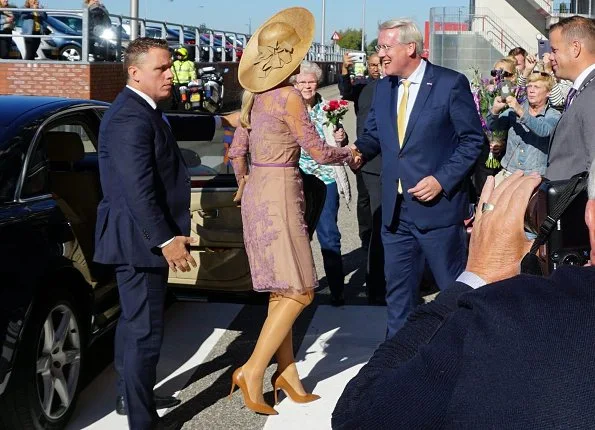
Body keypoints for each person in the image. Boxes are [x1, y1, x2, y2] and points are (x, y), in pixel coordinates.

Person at [333, 167, 595, 429]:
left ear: (590, 216)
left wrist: (477, 276)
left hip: (438, 219)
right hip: (399, 217)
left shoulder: (506, 319)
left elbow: (356, 417)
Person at [94, 37, 237, 429]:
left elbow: (169, 125)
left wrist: (223, 121)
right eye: (161, 69)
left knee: (133, 325)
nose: (171, 74)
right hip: (140, 240)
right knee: (145, 332)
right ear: (134, 73)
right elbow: (137, 189)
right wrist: (166, 239)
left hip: (135, 237)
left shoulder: (143, 109)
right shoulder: (129, 118)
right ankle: (142, 421)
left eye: (170, 66)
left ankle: (130, 395)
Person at [228, 7, 359, 416]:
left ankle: (287, 373)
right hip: (282, 189)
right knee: (301, 289)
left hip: (258, 191)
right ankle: (252, 370)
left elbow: (236, 153)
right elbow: (317, 149)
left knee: (280, 289)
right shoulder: (287, 97)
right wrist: (348, 151)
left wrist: (244, 183)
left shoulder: (255, 98)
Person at [354, 18, 483, 338]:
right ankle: (395, 367)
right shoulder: (382, 88)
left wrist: (441, 180)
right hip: (395, 214)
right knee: (398, 297)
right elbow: (373, 137)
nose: (380, 54)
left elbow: (472, 141)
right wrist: (353, 152)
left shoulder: (449, 83)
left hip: (437, 209)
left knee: (454, 294)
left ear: (410, 48)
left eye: (385, 46)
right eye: (378, 47)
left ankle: (463, 358)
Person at [291, 60, 350, 306]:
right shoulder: (290, 109)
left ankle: (336, 290)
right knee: (299, 237)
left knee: (330, 235)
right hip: (298, 178)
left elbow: (340, 138)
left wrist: (342, 136)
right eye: (302, 81)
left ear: (318, 83)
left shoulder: (328, 108)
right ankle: (300, 290)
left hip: (326, 178)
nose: (307, 86)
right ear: (295, 83)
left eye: (311, 82)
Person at [339, 52, 385, 304]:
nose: (377, 69)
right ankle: (365, 240)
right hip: (363, 156)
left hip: (380, 160)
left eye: (381, 64)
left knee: (380, 213)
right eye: (373, 65)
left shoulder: (391, 87)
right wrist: (344, 69)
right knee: (365, 204)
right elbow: (345, 90)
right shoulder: (363, 89)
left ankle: (377, 275)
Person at [488, 71, 561, 184]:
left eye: (536, 87)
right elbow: (494, 127)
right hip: (508, 172)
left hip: (535, 176)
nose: (531, 90)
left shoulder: (553, 114)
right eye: (529, 86)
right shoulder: (513, 110)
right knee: (488, 199)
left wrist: (520, 111)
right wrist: (495, 111)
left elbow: (544, 130)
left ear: (548, 93)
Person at [546, 15, 595, 181]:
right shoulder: (583, 89)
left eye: (554, 50)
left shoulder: (592, 92)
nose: (550, 57)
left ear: (575, 48)